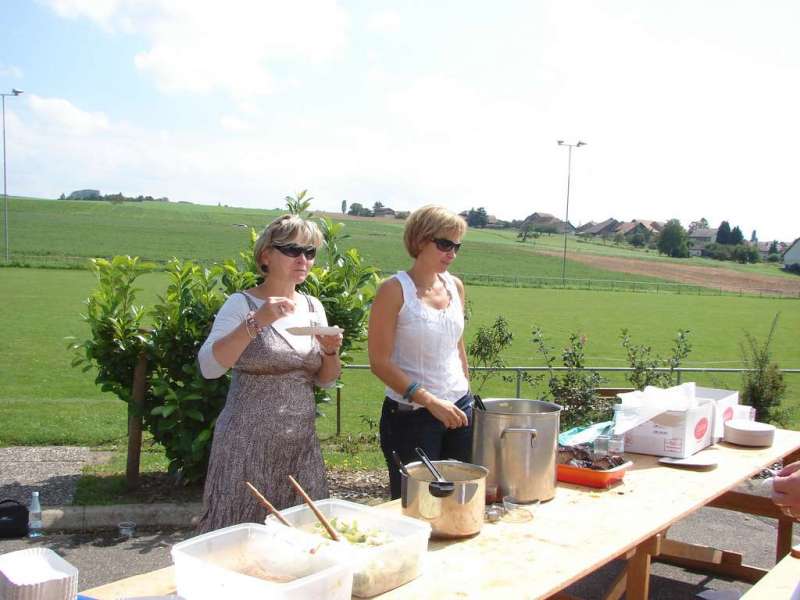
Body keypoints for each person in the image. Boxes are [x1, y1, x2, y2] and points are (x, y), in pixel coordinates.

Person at [196, 214, 342, 532]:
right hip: (246, 447)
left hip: (300, 448)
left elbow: (326, 379)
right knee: (239, 539)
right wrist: (256, 321)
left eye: (310, 251)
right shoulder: (241, 303)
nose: (303, 259)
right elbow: (209, 367)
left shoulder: (314, 306)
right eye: (292, 249)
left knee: (303, 537)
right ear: (266, 255)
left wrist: (330, 350)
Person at [368, 205, 472, 499]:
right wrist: (430, 401)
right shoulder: (393, 290)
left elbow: (457, 344)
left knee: (458, 502)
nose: (451, 253)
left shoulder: (455, 287)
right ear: (420, 240)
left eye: (457, 246)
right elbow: (379, 362)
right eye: (444, 244)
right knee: (417, 506)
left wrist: (465, 392)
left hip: (458, 410)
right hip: (411, 418)